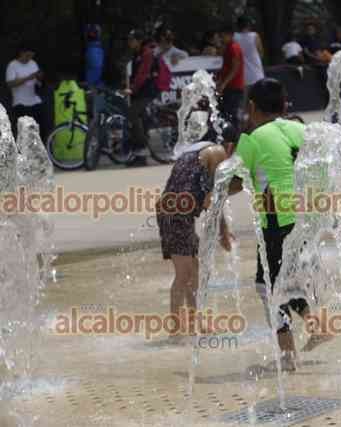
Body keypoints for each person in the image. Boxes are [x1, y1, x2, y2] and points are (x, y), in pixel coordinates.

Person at [229, 78, 341, 371]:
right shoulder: (301, 129)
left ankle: (289, 355)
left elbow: (234, 183)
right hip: (307, 219)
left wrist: (208, 196)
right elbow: (337, 160)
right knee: (292, 277)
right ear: (284, 104)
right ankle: (318, 325)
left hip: (277, 221)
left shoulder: (252, 138)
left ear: (251, 107)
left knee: (267, 287)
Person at [156, 105, 235, 342]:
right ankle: (175, 330)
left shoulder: (194, 151)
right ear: (230, 146)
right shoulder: (218, 153)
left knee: (194, 269)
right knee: (184, 273)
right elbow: (216, 198)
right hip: (176, 213)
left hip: (173, 211)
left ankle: (195, 322)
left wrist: (221, 231)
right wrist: (223, 233)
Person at [124, 29, 158, 167]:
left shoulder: (147, 53)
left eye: (131, 40)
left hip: (147, 92)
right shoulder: (137, 53)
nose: (129, 43)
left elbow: (143, 74)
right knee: (140, 122)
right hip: (139, 92)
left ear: (138, 41)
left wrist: (132, 89)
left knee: (131, 114)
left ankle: (143, 147)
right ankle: (139, 156)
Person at [5, 43, 44, 135]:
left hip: (34, 100)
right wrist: (28, 78)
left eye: (31, 56)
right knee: (25, 129)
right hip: (20, 102)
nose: (29, 58)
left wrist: (39, 78)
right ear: (21, 53)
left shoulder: (33, 63)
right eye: (27, 56)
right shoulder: (13, 65)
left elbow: (38, 81)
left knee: (40, 126)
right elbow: (10, 84)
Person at [218, 24, 245, 128]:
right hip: (229, 86)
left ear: (230, 35)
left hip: (234, 86)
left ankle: (235, 134)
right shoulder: (228, 47)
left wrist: (224, 84)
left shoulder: (234, 48)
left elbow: (235, 68)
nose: (221, 38)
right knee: (226, 112)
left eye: (223, 36)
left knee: (232, 114)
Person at [233, 16, 265, 88]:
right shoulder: (255, 36)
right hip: (257, 74)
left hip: (242, 76)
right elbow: (261, 54)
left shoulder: (234, 37)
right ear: (248, 25)